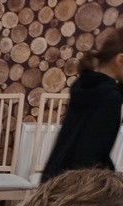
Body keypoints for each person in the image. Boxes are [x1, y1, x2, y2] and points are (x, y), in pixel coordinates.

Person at [42, 28, 123, 183]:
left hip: (55, 176)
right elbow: (94, 153)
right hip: (82, 185)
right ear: (120, 59)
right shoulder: (110, 97)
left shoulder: (84, 84)